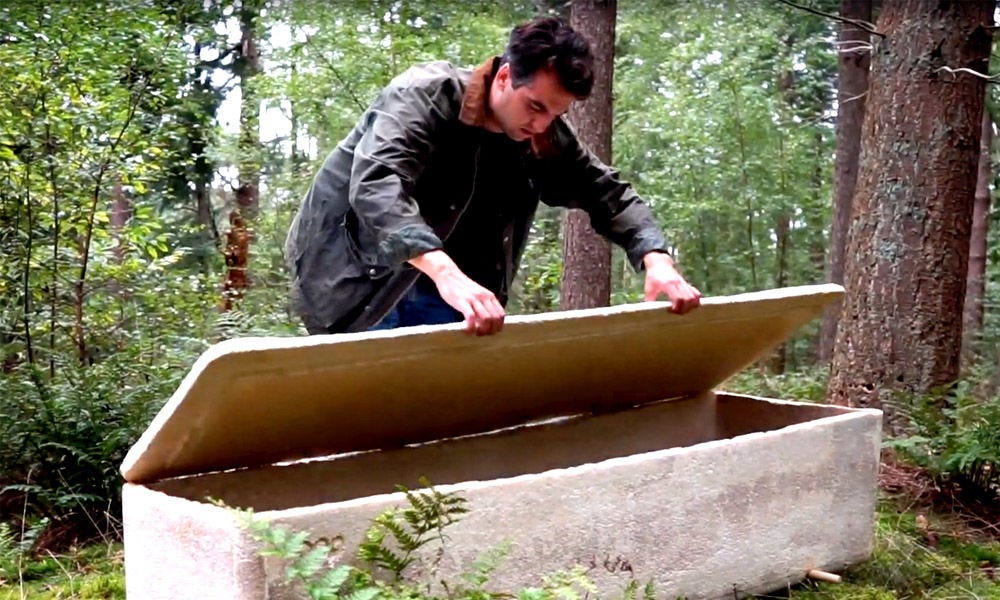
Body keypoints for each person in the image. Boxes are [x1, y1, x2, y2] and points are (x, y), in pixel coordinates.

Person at [284, 16, 701, 337]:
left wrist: (656, 258)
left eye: (556, 113)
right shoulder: (424, 94)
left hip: (454, 291)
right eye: (535, 106)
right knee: (368, 406)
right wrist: (445, 274)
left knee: (441, 408)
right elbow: (378, 183)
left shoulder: (544, 135)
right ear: (503, 77)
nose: (542, 125)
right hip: (361, 279)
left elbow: (606, 191)